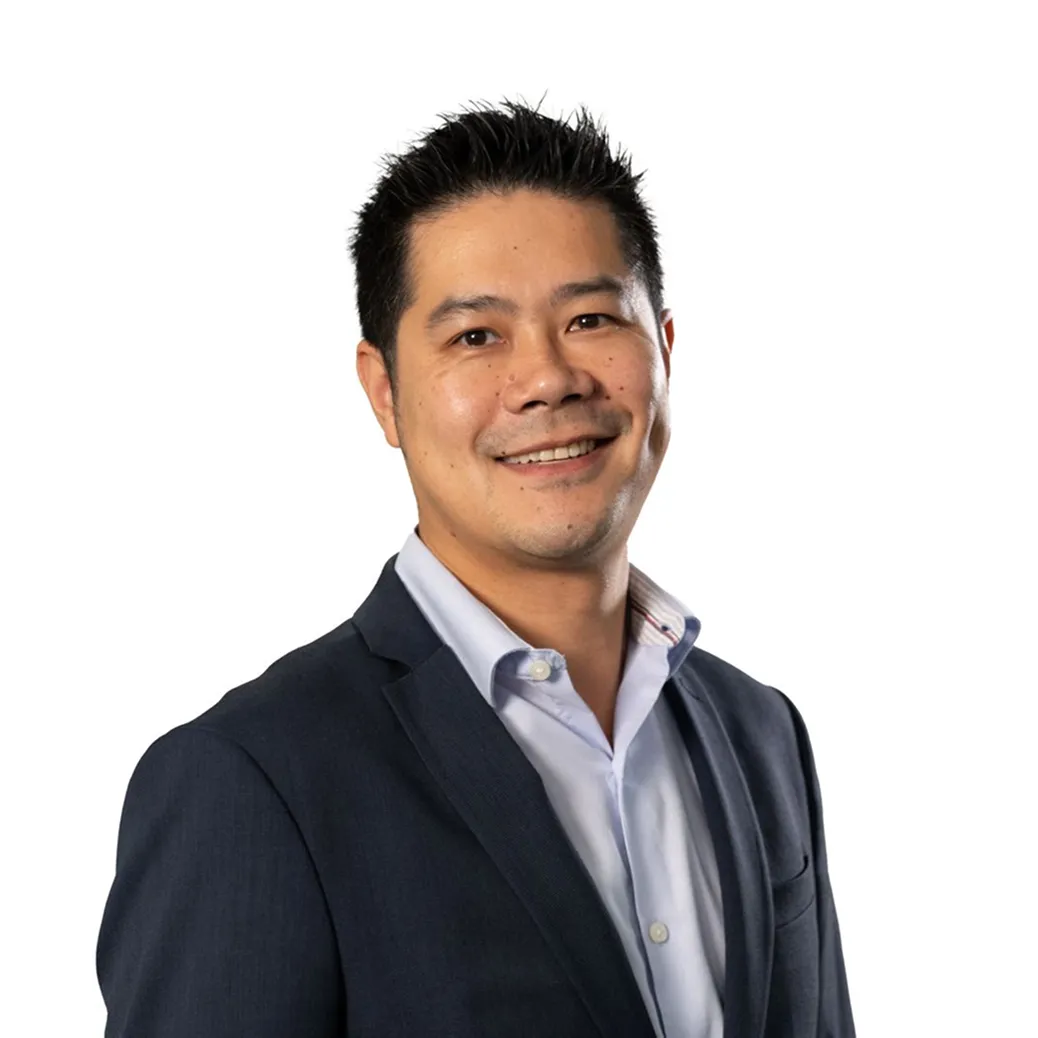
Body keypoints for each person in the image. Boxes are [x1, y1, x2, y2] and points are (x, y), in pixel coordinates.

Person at [97, 99, 855, 1038]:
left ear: (663, 350)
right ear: (384, 392)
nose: (548, 379)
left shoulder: (761, 734)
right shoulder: (252, 782)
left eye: (590, 318)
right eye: (476, 337)